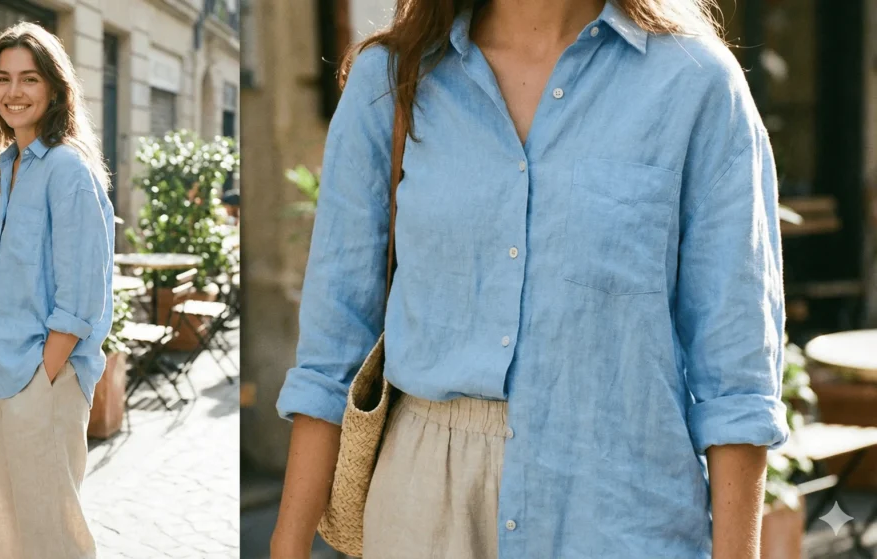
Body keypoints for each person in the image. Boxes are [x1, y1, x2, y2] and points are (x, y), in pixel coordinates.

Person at [272, 0, 789, 557]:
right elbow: (332, 346)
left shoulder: (696, 82)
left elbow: (736, 376)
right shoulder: (394, 78)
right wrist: (289, 543)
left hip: (621, 508)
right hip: (424, 510)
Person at [0, 22, 115, 559]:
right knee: (11, 519)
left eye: (29, 78)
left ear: (54, 87)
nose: (14, 91)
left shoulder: (68, 170)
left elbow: (83, 290)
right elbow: (8, 278)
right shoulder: (7, 166)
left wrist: (44, 373)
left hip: (42, 370)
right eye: (2, 79)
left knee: (52, 529)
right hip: (2, 361)